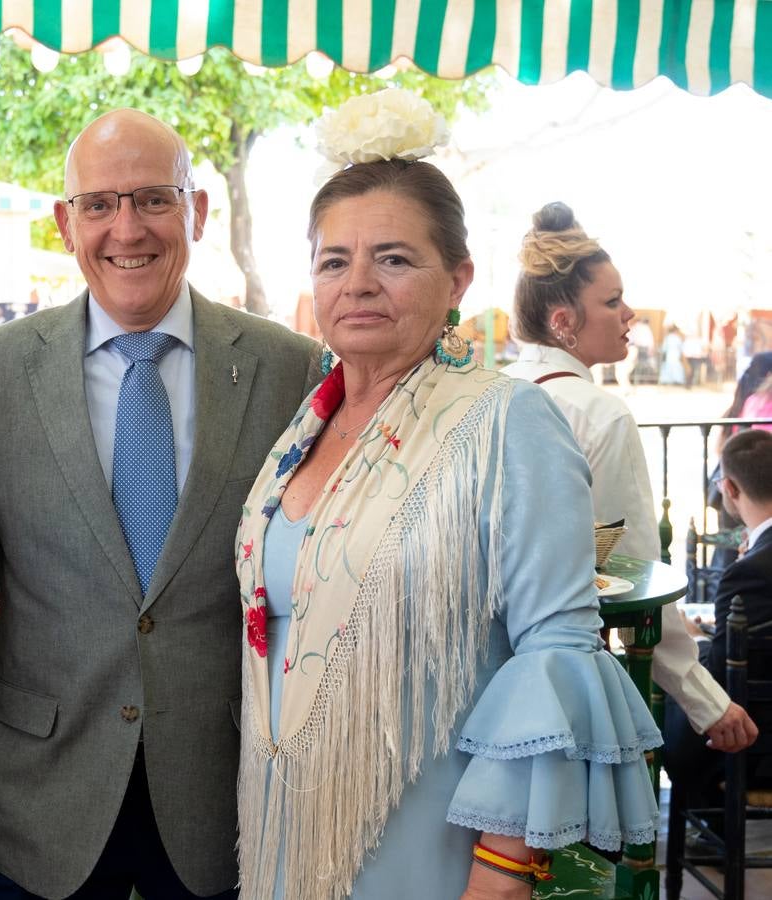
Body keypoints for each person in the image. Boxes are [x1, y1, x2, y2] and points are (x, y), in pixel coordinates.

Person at [235, 90, 662, 899]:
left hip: (432, 840)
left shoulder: (507, 421)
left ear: (457, 276)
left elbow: (555, 649)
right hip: (286, 825)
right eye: (335, 261)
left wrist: (500, 873)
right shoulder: (305, 423)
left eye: (392, 258)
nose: (357, 283)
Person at [0, 108, 318, 899]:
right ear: (64, 220)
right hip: (45, 792)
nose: (127, 228)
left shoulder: (287, 370)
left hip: (220, 793)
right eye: (98, 204)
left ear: (197, 211)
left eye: (154, 198)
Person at [501, 202, 756, 757]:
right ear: (562, 320)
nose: (629, 313)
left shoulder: (489, 391)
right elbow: (638, 577)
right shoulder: (598, 414)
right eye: (612, 302)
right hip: (557, 674)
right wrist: (707, 701)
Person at [664, 429, 772, 808]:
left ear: (728, 488)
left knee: (665, 691)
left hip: (756, 748)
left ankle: (704, 817)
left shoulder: (750, 571)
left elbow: (724, 671)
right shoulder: (754, 561)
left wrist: (693, 640)